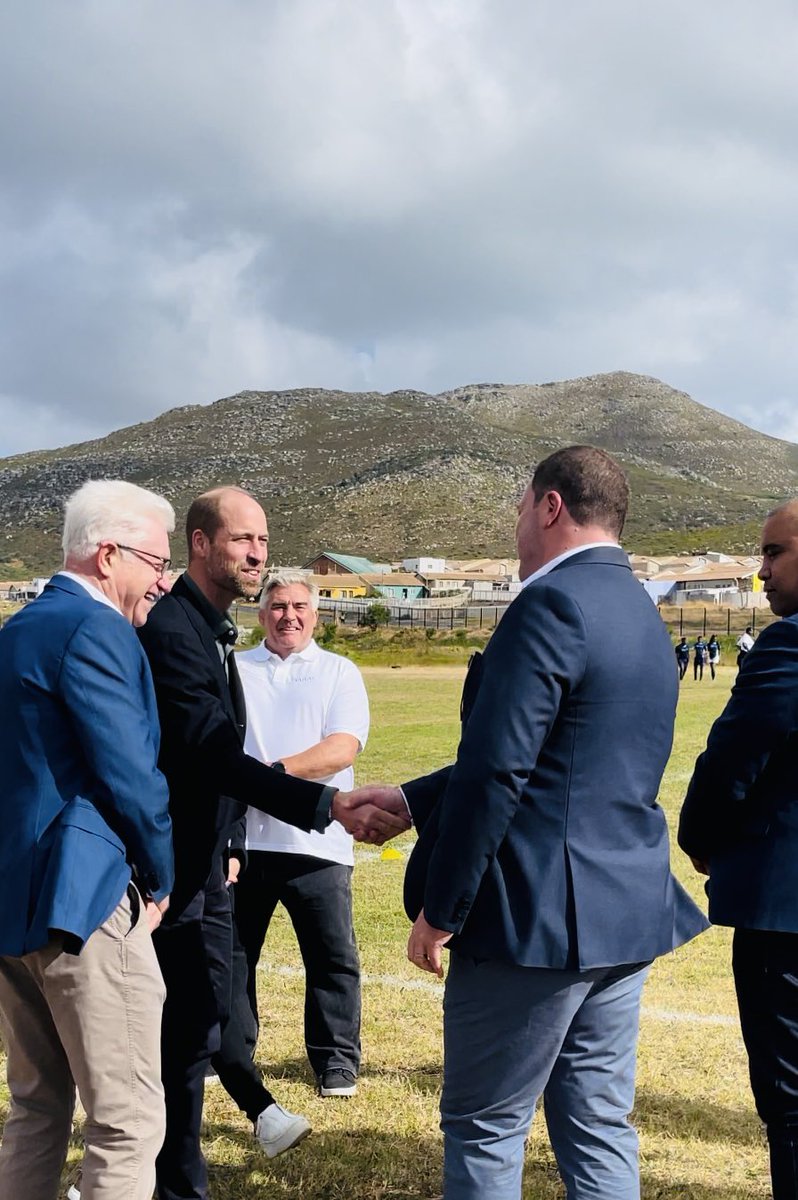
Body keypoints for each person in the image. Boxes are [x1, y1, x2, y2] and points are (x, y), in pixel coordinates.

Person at [356, 446, 708, 1199]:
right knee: (599, 1126)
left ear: (551, 507)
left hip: (532, 918)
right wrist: (415, 801)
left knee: (486, 1128)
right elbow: (564, 754)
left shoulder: (549, 605)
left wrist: (442, 911)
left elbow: (499, 772)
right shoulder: (642, 612)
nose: (515, 527)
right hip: (623, 911)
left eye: (519, 508)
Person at [137, 486, 408, 1200]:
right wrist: (326, 803)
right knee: (188, 1025)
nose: (256, 553)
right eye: (241, 539)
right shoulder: (174, 632)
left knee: (202, 1021)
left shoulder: (212, 631)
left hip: (218, 857)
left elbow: (229, 760)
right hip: (183, 866)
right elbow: (211, 756)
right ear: (200, 543)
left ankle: (188, 1170)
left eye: (262, 540)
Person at [0, 480, 176, 1200]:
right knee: (126, 1120)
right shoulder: (95, 629)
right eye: (155, 562)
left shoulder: (16, 629)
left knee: (36, 1107)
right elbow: (131, 774)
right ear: (108, 555)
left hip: (15, 904)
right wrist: (161, 876)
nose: (163, 581)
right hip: (84, 903)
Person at [213, 569, 369, 1116]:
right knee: (235, 957)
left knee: (331, 957)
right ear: (260, 615)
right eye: (278, 606)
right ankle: (231, 1056)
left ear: (316, 615)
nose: (289, 616)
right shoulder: (236, 668)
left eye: (300, 606)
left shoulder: (338, 671)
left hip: (317, 842)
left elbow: (342, 747)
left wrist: (269, 778)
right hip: (245, 843)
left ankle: (336, 1060)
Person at [679, 499, 798, 1200]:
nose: (762, 572)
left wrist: (700, 840)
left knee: (791, 1105)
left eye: (775, 552)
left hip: (785, 920)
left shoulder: (788, 645)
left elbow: (731, 763)